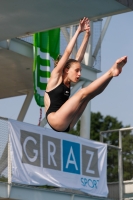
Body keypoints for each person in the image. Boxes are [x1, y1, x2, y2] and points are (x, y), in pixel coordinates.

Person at [44, 17, 127, 132]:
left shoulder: (69, 76)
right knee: (82, 92)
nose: (79, 74)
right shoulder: (56, 76)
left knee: (88, 96)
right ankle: (110, 72)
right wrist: (78, 31)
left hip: (68, 123)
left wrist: (87, 35)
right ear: (67, 70)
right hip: (56, 120)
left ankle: (112, 75)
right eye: (77, 71)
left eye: (80, 71)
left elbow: (79, 57)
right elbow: (68, 52)